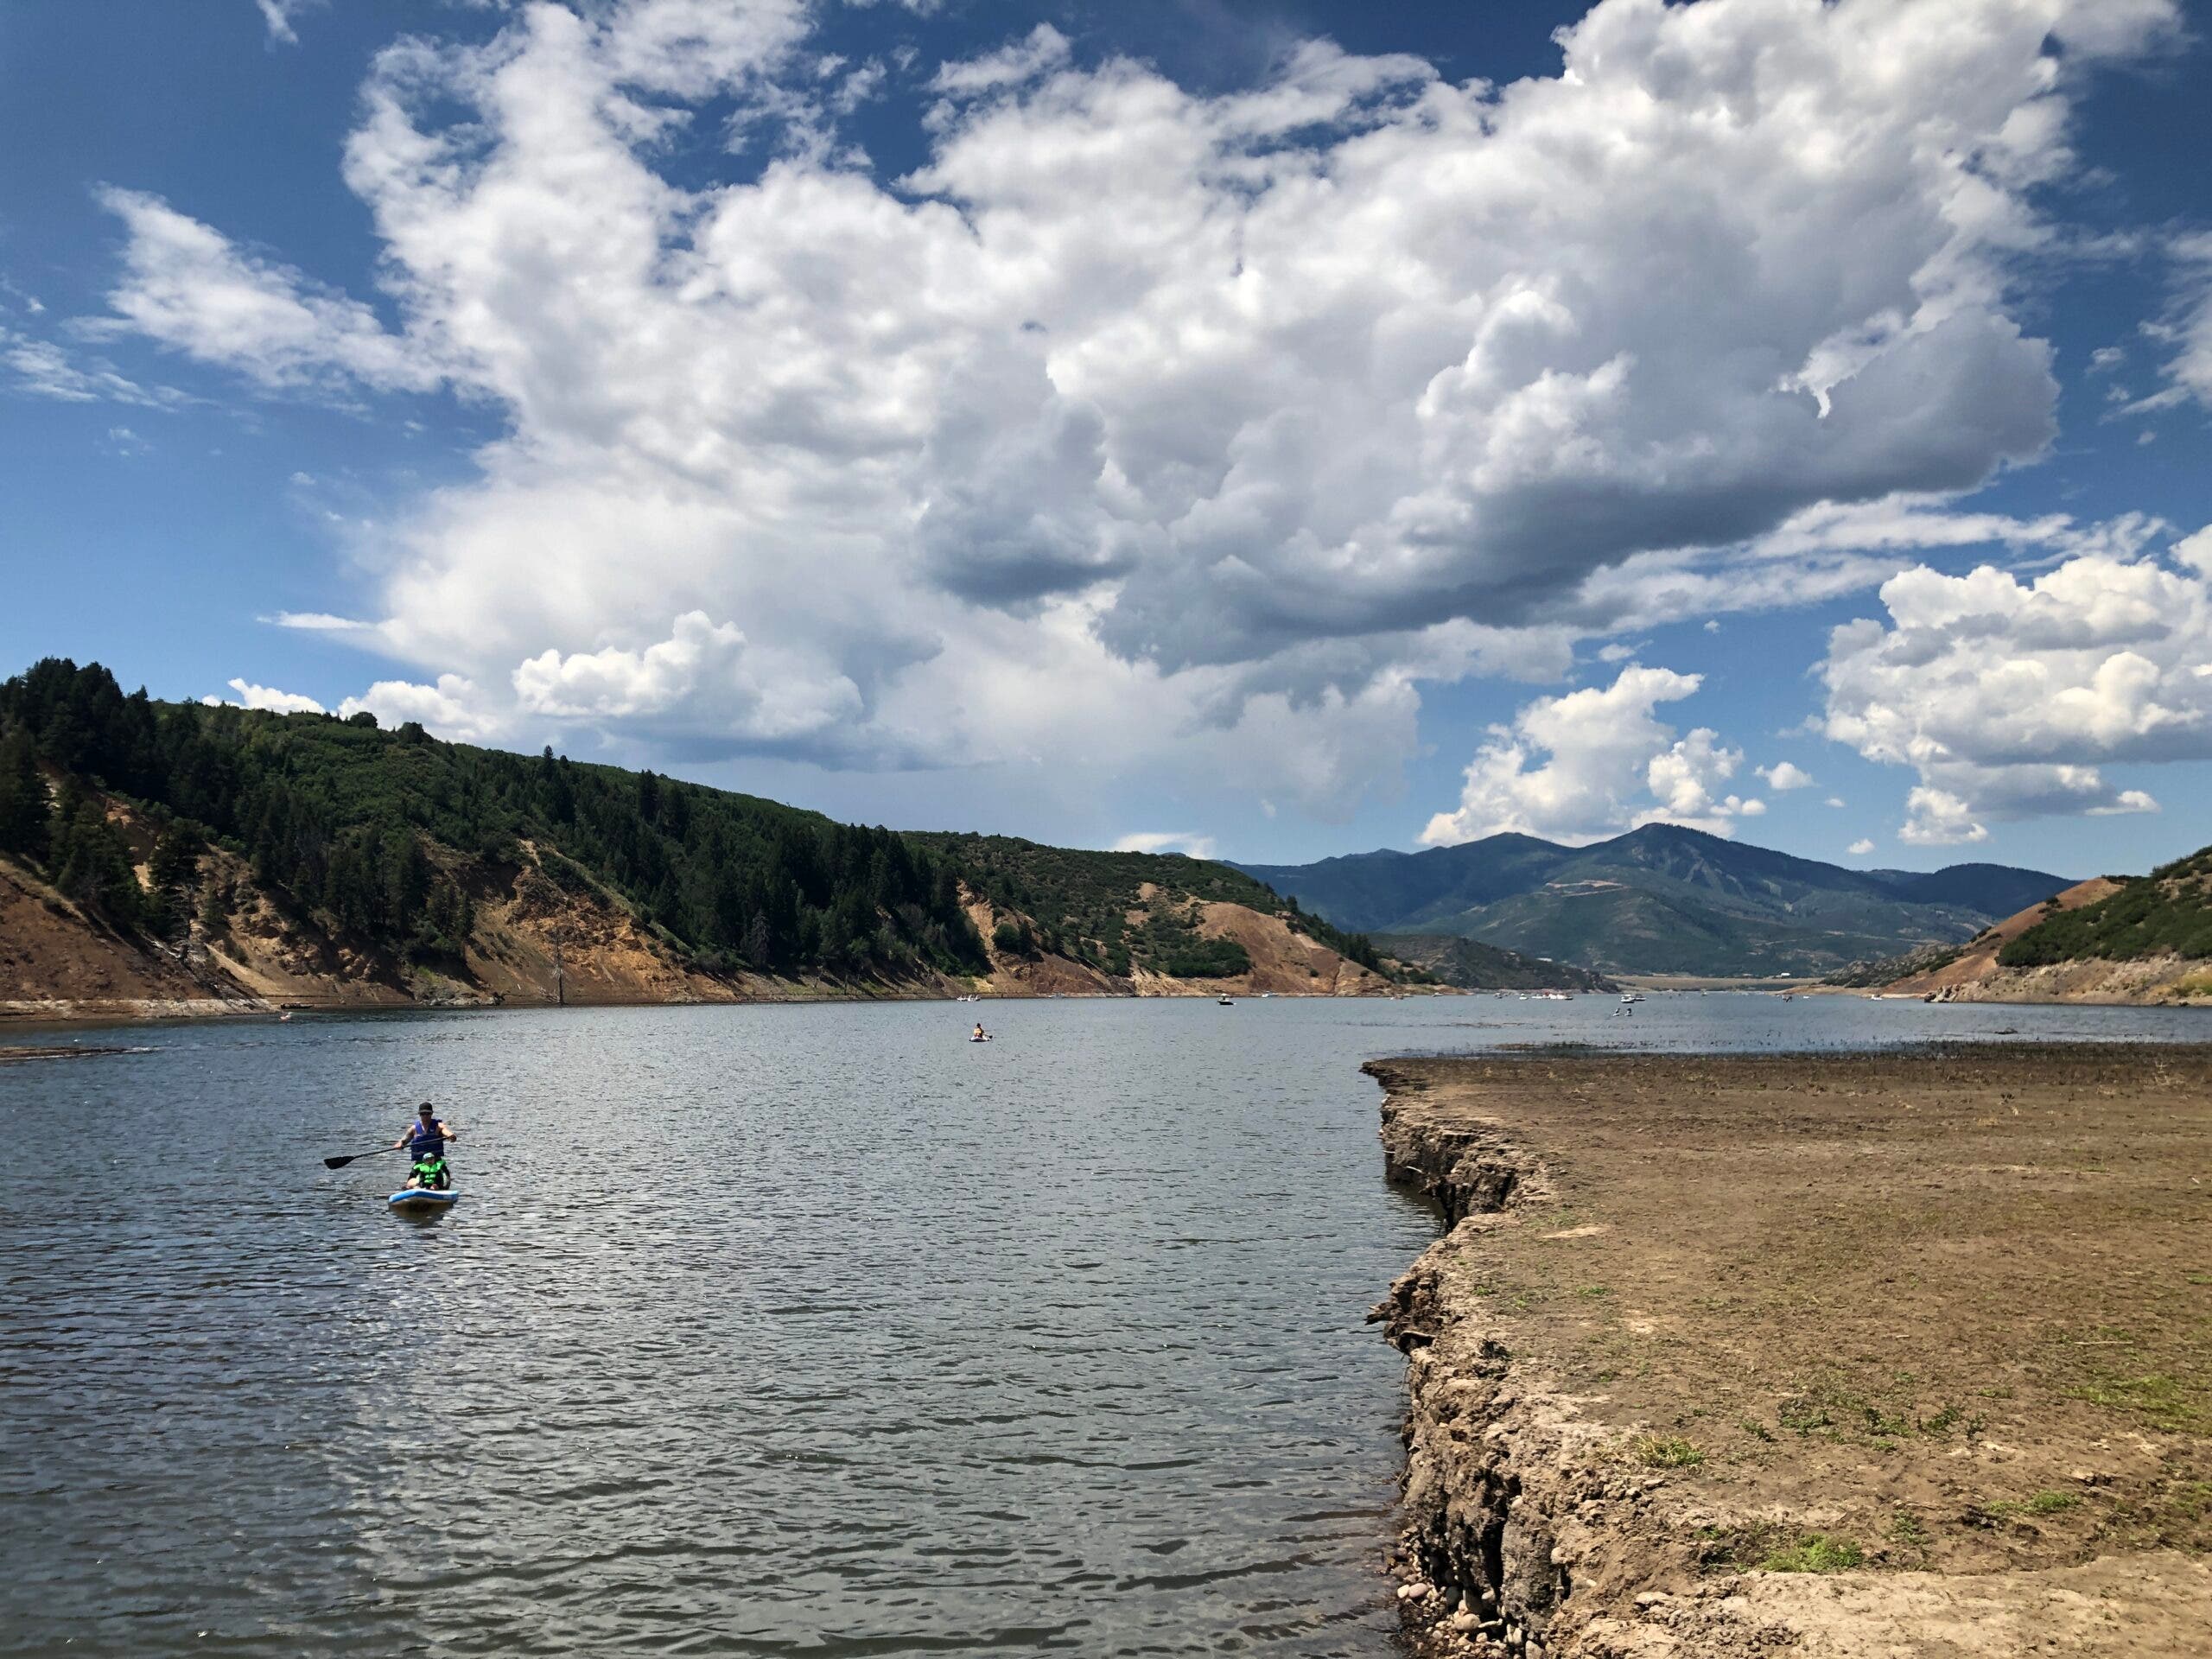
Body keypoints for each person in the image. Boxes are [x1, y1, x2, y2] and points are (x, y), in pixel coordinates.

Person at [394, 1102, 459, 1187]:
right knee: (409, 1184)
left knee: (444, 1183)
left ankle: (436, 1186)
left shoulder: (438, 1126)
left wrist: (451, 1136)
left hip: (436, 1163)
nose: (425, 1116)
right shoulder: (413, 1129)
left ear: (431, 1114)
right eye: (423, 1114)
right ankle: (417, 1186)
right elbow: (403, 1141)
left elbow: (447, 1133)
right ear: (419, 1114)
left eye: (427, 1114)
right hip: (420, 1164)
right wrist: (399, 1144)